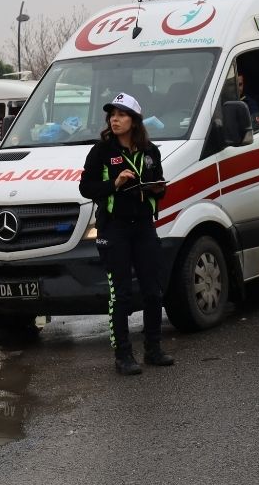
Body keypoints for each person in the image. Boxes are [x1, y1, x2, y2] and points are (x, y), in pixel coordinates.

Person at [79, 92, 175, 376]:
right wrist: (116, 184)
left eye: (121, 115)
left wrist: (158, 189)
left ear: (134, 121)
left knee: (153, 290)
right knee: (120, 293)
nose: (115, 119)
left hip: (144, 226)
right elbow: (86, 189)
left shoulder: (149, 151)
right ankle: (123, 355)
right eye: (112, 115)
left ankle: (153, 349)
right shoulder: (102, 151)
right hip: (114, 228)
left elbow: (158, 184)